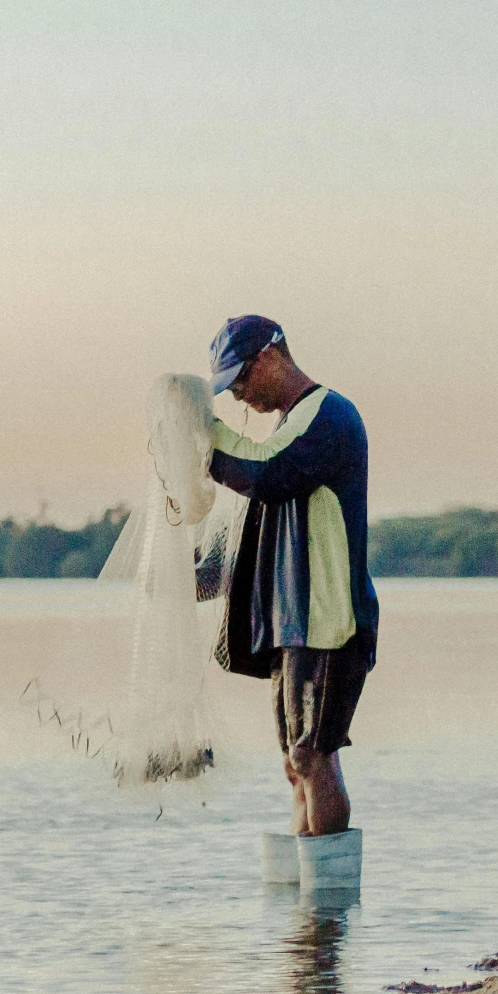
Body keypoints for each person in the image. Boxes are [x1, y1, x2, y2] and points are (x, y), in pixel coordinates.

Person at [203, 315, 378, 838]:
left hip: (329, 621)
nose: (238, 397)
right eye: (228, 388)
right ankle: (308, 909)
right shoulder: (291, 426)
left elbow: (264, 474)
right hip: (293, 624)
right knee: (294, 762)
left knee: (312, 756)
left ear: (272, 355)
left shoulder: (328, 415)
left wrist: (199, 434)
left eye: (240, 380)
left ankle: (326, 912)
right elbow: (254, 520)